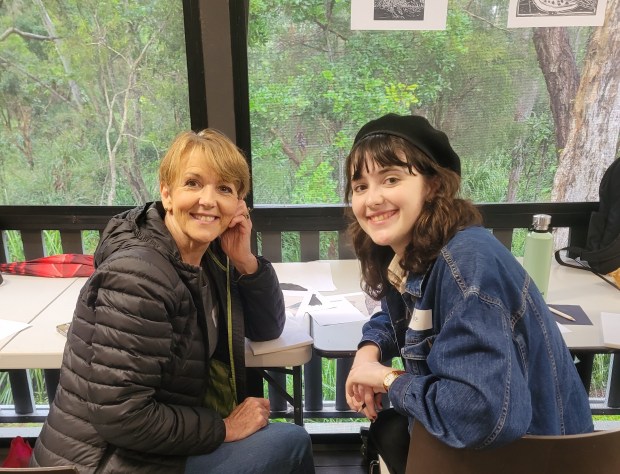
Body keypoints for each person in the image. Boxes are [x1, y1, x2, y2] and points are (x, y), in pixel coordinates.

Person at [30, 129, 315, 474]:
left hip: (146, 446)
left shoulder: (205, 257)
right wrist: (224, 428)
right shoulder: (138, 276)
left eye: (224, 189)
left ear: (239, 205)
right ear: (167, 193)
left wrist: (244, 260)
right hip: (106, 461)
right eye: (193, 183)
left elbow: (266, 328)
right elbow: (122, 416)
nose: (208, 200)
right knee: (291, 443)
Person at [343, 113, 593, 474]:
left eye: (391, 179)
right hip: (486, 452)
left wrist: (387, 379)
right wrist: (367, 354)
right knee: (389, 429)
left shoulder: (466, 263)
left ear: (432, 185)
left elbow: (478, 413)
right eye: (360, 186)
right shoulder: (415, 253)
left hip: (528, 459)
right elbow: (401, 315)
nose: (372, 199)